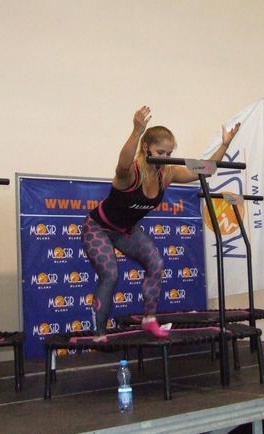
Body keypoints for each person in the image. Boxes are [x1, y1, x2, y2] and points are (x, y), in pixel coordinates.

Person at [82, 106, 240, 342]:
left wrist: (225, 144)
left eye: (168, 153)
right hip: (98, 228)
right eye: (160, 152)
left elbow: (206, 169)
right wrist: (137, 131)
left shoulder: (168, 173)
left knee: (155, 263)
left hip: (125, 231)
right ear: (146, 147)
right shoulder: (131, 174)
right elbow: (122, 165)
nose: (164, 158)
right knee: (110, 273)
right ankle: (99, 334)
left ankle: (149, 319)